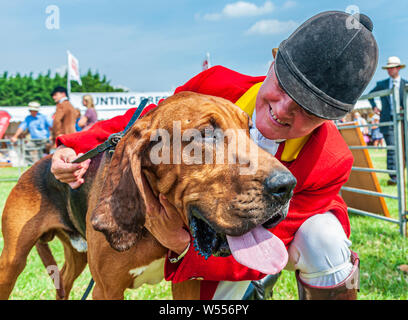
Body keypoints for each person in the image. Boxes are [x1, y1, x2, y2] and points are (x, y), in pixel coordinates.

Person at [50, 11, 378, 300]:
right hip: (217, 225)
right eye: (284, 86)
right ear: (273, 62)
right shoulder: (216, 83)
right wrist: (74, 144)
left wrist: (181, 245)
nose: (282, 110)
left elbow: (272, 240)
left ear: (330, 119)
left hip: (277, 240)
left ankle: (262, 284)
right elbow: (153, 118)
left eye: (308, 109)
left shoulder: (333, 160)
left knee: (324, 239)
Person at [369, 56, 407, 185]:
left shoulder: (405, 84)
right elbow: (371, 95)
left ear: (398, 68)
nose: (389, 70)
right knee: (392, 148)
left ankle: (402, 173)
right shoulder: (382, 84)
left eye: (392, 68)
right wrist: (374, 106)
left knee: (405, 148)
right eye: (388, 68)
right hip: (388, 120)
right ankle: (393, 177)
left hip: (403, 121)